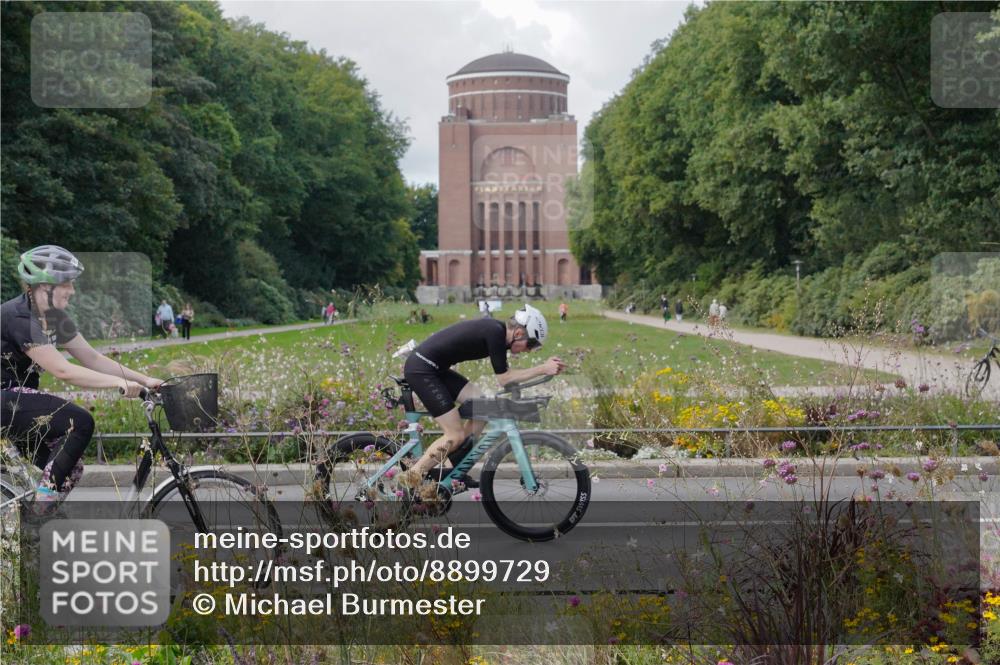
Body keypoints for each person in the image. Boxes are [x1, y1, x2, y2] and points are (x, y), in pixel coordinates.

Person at [1, 246, 162, 507]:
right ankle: (41, 511)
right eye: (67, 284)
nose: (72, 291)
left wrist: (145, 380)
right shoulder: (20, 317)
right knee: (80, 422)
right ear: (44, 286)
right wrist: (118, 383)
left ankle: (31, 523)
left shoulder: (55, 318)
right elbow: (63, 370)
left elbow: (92, 358)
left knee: (70, 469)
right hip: (5, 399)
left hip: (16, 404)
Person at [399, 304, 564, 491]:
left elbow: (507, 379)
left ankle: (453, 472)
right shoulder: (495, 332)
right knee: (455, 435)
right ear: (518, 333)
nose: (529, 351)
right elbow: (504, 378)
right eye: (531, 345)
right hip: (423, 370)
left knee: (483, 407)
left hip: (435, 369)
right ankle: (411, 478)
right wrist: (542, 368)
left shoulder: (497, 332)